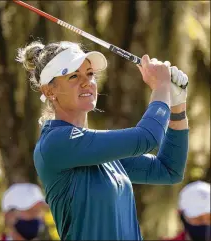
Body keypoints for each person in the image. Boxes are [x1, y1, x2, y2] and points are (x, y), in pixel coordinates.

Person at [16, 40, 189, 240]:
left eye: (89, 74)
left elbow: (169, 170)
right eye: (73, 76)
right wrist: (161, 89)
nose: (86, 81)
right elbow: (147, 137)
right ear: (49, 91)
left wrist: (177, 106)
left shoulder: (98, 149)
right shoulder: (57, 143)